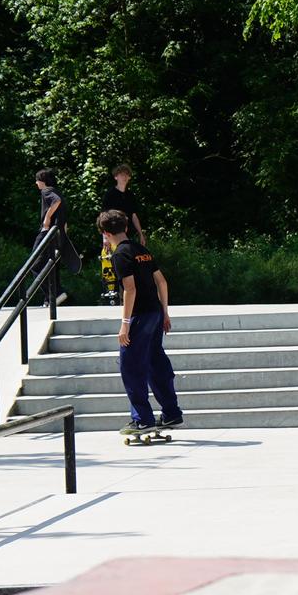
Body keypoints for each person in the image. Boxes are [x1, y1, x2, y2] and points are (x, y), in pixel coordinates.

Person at [100, 208, 182, 434]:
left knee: (132, 367)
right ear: (126, 227)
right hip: (155, 313)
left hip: (139, 317)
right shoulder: (141, 250)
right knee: (156, 363)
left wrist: (125, 323)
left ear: (105, 233)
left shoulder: (120, 254)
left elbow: (130, 289)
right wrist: (164, 313)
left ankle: (142, 419)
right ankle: (171, 414)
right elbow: (162, 282)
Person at [98, 164, 148, 305]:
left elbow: (133, 216)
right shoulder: (110, 194)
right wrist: (104, 237)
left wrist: (141, 234)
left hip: (128, 235)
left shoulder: (130, 195)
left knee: (129, 266)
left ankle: (126, 298)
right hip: (113, 235)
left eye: (126, 174)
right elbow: (104, 216)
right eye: (121, 174)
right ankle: (112, 297)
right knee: (113, 265)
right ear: (116, 177)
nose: (124, 177)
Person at [34, 169, 80, 304]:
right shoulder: (57, 190)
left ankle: (55, 294)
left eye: (37, 180)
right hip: (58, 233)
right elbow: (63, 214)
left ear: (42, 181)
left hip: (47, 234)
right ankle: (50, 299)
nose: (36, 183)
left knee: (36, 266)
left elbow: (56, 201)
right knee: (51, 265)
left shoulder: (46, 191)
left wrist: (47, 218)